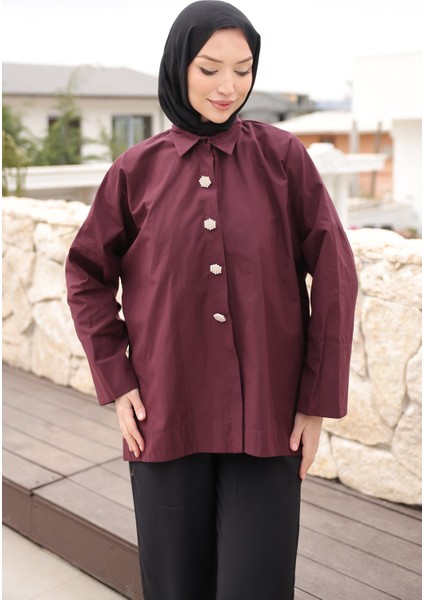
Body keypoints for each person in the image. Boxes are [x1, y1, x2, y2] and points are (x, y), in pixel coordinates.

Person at [65, 1, 358, 598]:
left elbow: (335, 272)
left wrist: (316, 402)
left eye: (243, 70)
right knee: (175, 586)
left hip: (269, 420)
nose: (229, 86)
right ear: (179, 67)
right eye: (209, 68)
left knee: (257, 585)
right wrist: (117, 380)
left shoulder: (283, 159)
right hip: (164, 415)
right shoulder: (135, 170)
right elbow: (86, 273)